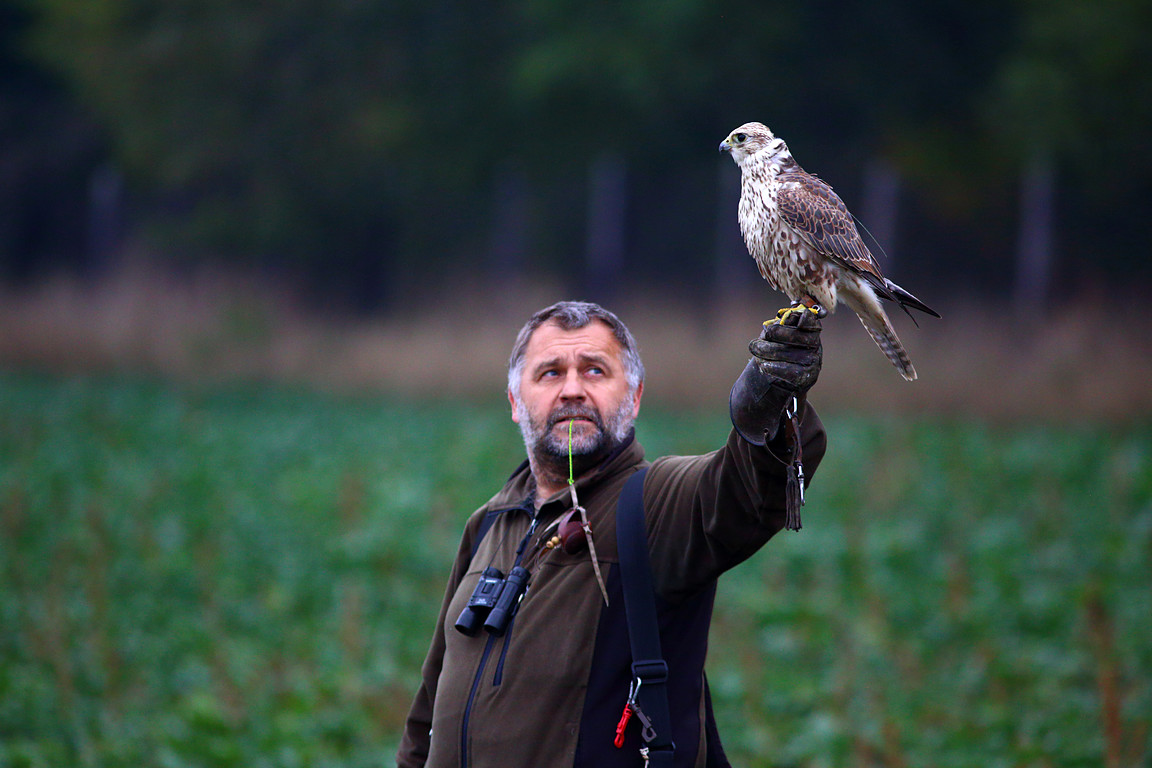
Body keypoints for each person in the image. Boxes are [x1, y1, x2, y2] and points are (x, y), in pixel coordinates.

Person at [397, 300, 826, 768]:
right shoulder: (488, 524)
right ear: (516, 402)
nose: (573, 391)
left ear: (635, 395)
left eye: (595, 371)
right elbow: (429, 708)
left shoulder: (653, 504)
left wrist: (767, 409)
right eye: (550, 373)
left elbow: (743, 489)